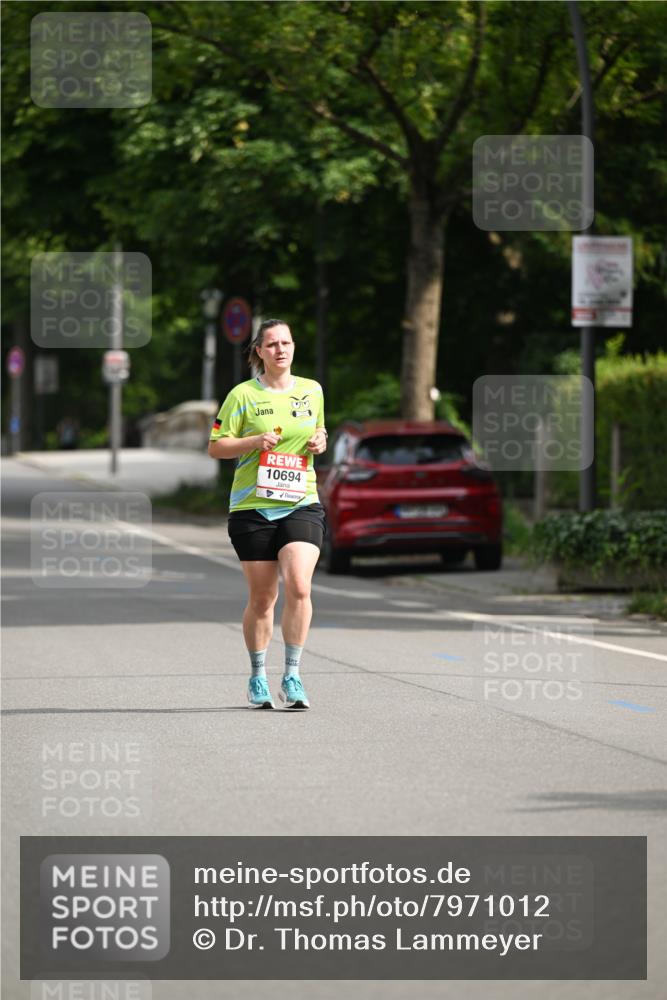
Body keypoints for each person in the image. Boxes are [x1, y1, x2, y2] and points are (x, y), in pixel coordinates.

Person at [208, 319, 328, 710]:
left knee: (299, 586)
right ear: (259, 351)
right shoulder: (242, 396)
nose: (281, 349)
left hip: (300, 500)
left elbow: (319, 433)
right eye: (272, 344)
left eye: (287, 342)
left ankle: (292, 675)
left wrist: (320, 440)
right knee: (263, 598)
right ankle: (258, 675)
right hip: (252, 507)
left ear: (294, 347)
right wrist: (254, 441)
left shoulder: (312, 391)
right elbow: (217, 447)